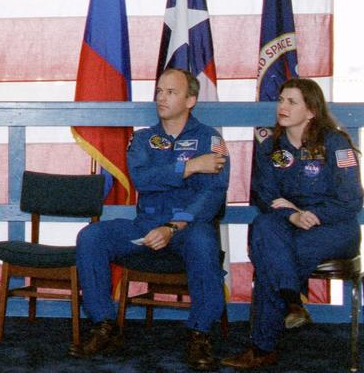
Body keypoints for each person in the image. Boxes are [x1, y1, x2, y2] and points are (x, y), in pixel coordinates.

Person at [71, 67, 229, 370]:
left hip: (187, 227)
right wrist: (190, 168)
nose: (161, 97)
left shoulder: (211, 140)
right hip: (146, 225)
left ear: (191, 100)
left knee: (203, 243)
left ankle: (199, 333)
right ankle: (105, 325)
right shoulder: (143, 139)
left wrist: (173, 225)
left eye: (171, 92)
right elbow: (142, 180)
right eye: (159, 91)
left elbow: (212, 195)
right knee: (92, 236)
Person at [221, 78, 363, 369]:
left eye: (291, 102)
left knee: (272, 256)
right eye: (281, 100)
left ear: (311, 110)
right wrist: (293, 216)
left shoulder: (336, 143)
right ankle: (290, 301)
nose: (282, 107)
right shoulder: (271, 147)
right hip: (289, 223)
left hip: (335, 228)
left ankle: (263, 346)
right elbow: (266, 197)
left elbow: (351, 200)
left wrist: (313, 214)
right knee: (264, 227)